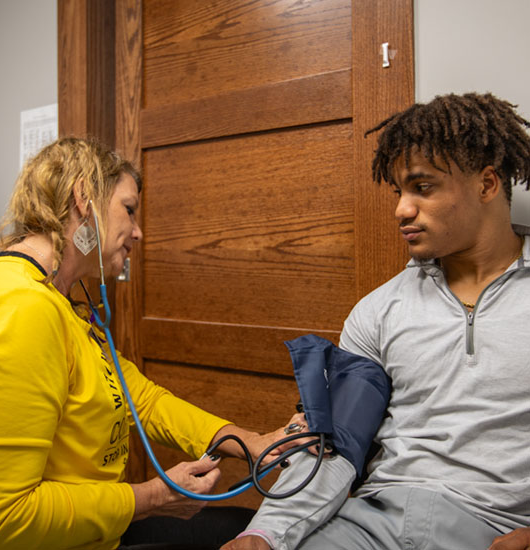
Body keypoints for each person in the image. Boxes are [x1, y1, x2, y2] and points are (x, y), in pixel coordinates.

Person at [221, 92, 530, 550]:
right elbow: (335, 444)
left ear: (486, 185)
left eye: (422, 188)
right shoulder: (379, 310)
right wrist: (264, 534)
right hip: (371, 522)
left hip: (492, 528)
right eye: (399, 191)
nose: (402, 209)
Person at [0, 137, 300, 550]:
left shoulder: (63, 302)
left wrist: (248, 441)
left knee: (245, 525)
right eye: (128, 210)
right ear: (84, 197)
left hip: (97, 532)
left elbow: (141, 399)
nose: (138, 232)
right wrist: (153, 499)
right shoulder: (21, 305)